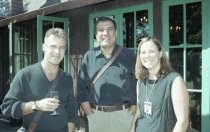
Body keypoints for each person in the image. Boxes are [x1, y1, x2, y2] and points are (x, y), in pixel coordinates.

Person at [1, 28, 77, 132]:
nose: (57, 51)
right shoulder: (25, 75)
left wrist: (71, 128)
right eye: (53, 46)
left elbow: (72, 110)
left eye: (62, 47)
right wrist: (35, 105)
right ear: (43, 47)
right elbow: (7, 107)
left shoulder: (67, 78)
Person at [77, 16, 137, 132]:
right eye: (101, 30)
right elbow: (81, 89)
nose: (105, 33)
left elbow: (138, 83)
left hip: (124, 116)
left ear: (116, 32)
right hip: (96, 116)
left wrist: (134, 107)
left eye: (110, 29)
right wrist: (90, 115)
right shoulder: (88, 57)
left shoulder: (129, 56)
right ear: (95, 35)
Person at [131, 37, 189, 132]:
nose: (147, 56)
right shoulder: (140, 82)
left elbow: (182, 121)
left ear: (160, 53)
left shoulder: (174, 80)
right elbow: (138, 111)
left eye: (152, 51)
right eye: (143, 52)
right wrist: (132, 129)